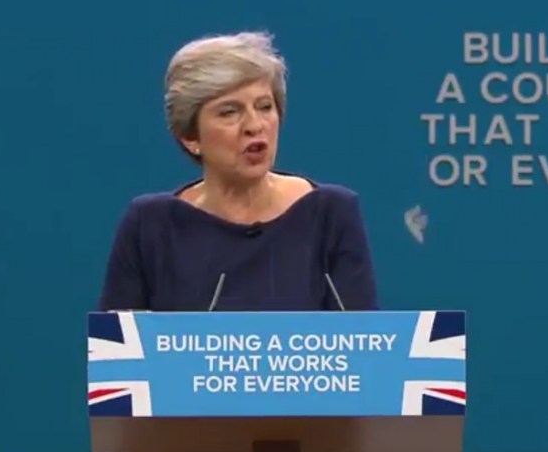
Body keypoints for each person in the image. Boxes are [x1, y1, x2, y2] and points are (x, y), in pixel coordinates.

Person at [97, 31, 379, 312]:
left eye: (264, 107)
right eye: (229, 112)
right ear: (190, 137)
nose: (254, 125)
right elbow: (117, 339)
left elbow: (365, 337)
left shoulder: (331, 214)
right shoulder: (151, 226)